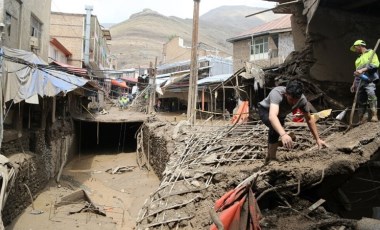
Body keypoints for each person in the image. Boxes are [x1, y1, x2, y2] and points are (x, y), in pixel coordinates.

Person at [258, 80, 327, 163]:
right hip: (265, 110)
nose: (293, 102)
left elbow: (309, 119)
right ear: (286, 94)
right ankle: (272, 158)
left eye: (296, 100)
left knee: (275, 132)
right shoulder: (277, 93)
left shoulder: (302, 100)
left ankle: (269, 157)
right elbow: (272, 116)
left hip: (281, 115)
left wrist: (318, 139)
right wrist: (283, 134)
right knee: (275, 128)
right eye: (291, 99)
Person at [350, 39, 379, 123]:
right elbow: (357, 72)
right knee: (361, 100)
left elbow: (375, 65)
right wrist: (354, 83)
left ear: (360, 46)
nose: (355, 50)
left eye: (355, 48)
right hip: (359, 82)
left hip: (369, 79)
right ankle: (363, 119)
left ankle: (374, 115)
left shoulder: (371, 53)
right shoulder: (358, 59)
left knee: (371, 93)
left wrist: (363, 70)